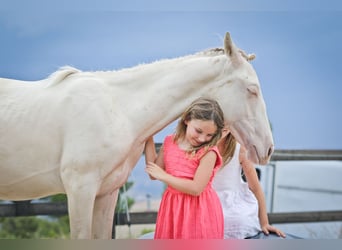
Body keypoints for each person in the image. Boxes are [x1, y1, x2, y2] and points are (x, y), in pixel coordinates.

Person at [144, 97, 225, 239]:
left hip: (199, 210)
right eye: (198, 131)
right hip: (172, 208)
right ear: (187, 119)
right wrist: (148, 135)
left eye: (209, 135)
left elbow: (196, 188)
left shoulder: (209, 152)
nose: (202, 139)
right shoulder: (170, 142)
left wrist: (164, 176)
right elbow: (153, 172)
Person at [213, 128, 298, 239]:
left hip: (233, 205)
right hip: (209, 202)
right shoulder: (198, 147)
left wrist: (265, 223)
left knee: (238, 219)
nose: (223, 125)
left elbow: (255, 187)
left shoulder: (239, 149)